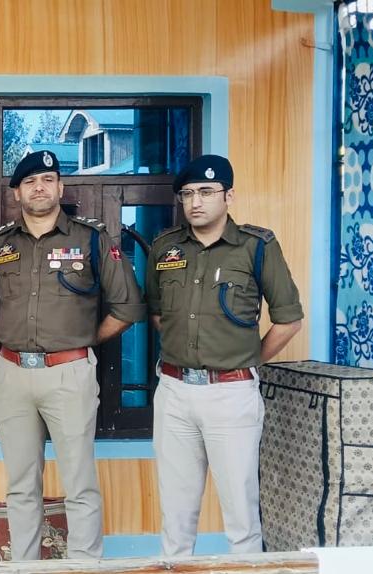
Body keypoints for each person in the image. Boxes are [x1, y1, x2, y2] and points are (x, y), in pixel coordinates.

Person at [0, 150, 145, 560]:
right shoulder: (0, 245)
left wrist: (82, 341)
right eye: (30, 182)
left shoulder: (90, 239)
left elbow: (127, 307)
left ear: (60, 187)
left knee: (79, 482)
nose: (40, 187)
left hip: (69, 374)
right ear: (17, 192)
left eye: (48, 179)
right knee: (21, 485)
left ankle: (84, 565)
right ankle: (24, 567)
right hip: (13, 374)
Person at [147, 154, 302, 555]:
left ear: (228, 196)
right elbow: (159, 315)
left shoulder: (256, 247)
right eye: (187, 194)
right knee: (176, 516)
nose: (195, 201)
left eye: (206, 191)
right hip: (174, 392)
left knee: (241, 517)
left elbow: (288, 320)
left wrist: (246, 360)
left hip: (231, 395)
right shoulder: (165, 247)